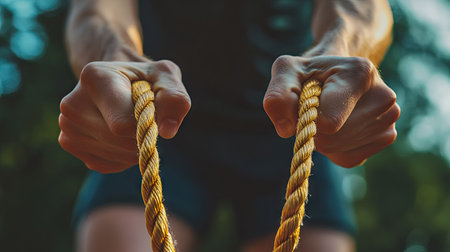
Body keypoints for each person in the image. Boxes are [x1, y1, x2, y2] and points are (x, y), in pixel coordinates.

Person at [59, 0, 400, 251]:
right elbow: (97, 8)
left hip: (289, 124)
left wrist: (341, 51)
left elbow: (360, 7)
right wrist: (117, 59)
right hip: (160, 120)